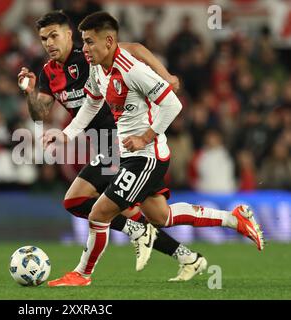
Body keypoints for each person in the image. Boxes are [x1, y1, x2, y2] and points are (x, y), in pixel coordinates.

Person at [44, 12, 264, 287]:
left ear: (109, 41)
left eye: (89, 42)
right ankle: (234, 219)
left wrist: (145, 136)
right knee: (163, 216)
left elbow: (173, 104)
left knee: (99, 214)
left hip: (146, 157)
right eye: (84, 42)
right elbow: (91, 103)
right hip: (129, 155)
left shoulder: (132, 70)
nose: (84, 49)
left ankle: (82, 274)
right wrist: (66, 134)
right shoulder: (98, 67)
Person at [18, 11, 207, 281]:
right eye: (43, 38)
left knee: (82, 202)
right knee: (153, 214)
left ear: (69, 34)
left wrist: (166, 76)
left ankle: (90, 269)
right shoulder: (49, 72)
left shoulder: (89, 53)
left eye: (54, 36)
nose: (48, 43)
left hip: (119, 140)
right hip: (101, 144)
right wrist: (30, 93)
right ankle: (187, 256)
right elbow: (39, 114)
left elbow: (137, 50)